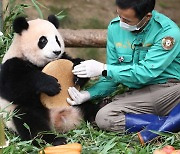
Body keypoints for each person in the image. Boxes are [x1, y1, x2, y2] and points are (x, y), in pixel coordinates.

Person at [67, 0, 180, 144]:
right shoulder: (115, 29)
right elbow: (111, 77)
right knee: (103, 117)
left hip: (170, 92)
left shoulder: (168, 33)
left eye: (126, 19)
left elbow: (144, 73)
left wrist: (103, 69)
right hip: (140, 95)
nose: (121, 22)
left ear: (147, 17)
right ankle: (169, 123)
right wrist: (89, 94)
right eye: (118, 15)